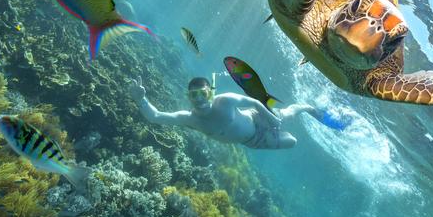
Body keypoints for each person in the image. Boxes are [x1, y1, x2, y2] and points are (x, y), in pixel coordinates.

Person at [128, 75, 326, 149]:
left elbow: (255, 102)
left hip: (258, 119)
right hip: (252, 142)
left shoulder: (225, 100)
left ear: (210, 93)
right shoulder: (190, 119)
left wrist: (272, 118)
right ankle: (285, 125)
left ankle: (307, 107)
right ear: (188, 98)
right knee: (292, 142)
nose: (199, 99)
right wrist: (140, 99)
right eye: (193, 95)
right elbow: (155, 117)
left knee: (289, 114)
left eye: (203, 94)